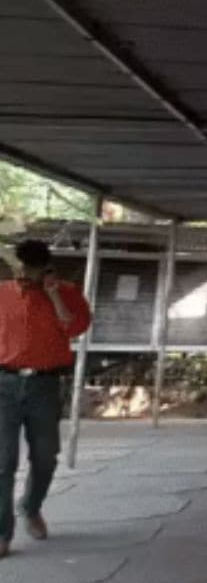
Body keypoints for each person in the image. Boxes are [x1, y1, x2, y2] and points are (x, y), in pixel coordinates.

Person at [0, 240, 92, 560]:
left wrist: (54, 295)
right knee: (3, 460)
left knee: (45, 456)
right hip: (4, 383)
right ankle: (2, 532)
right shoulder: (2, 294)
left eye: (31, 269)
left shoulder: (66, 293)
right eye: (20, 267)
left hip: (45, 385)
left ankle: (31, 506)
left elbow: (75, 328)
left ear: (45, 268)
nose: (24, 274)